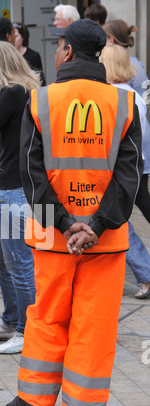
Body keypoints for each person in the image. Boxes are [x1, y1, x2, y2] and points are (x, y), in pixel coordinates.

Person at [5, 19, 143, 406]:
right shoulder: (124, 104)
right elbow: (129, 176)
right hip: (105, 240)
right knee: (93, 321)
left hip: (52, 235)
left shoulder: (40, 100)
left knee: (47, 314)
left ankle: (31, 398)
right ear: (99, 53)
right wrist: (95, 226)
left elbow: (30, 175)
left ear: (65, 50)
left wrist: (65, 224)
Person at [0, 41, 41, 354]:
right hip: (8, 187)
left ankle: (27, 330)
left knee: (18, 263)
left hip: (17, 189)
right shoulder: (19, 91)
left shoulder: (14, 92)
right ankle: (10, 319)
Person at [101, 44, 150, 300]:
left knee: (118, 222)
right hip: (135, 167)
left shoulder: (115, 96)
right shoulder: (133, 96)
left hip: (119, 169)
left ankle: (146, 273)